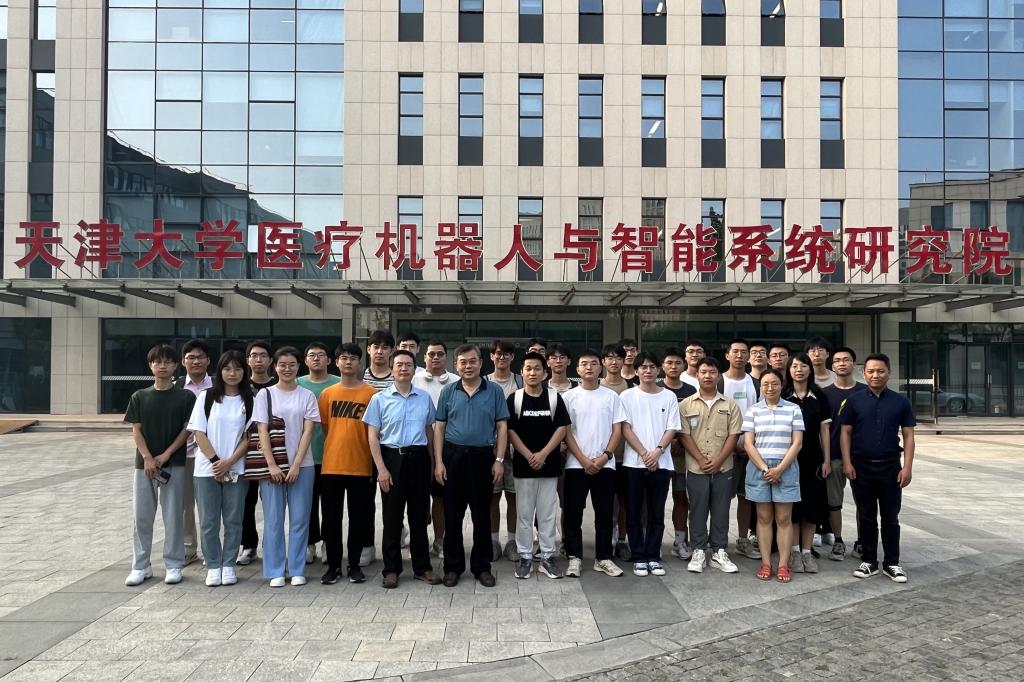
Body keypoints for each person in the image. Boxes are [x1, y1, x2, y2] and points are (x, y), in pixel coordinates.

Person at [434, 343, 509, 588]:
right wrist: (439, 462)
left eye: (472, 361)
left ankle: (481, 567)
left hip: (482, 458)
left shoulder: (494, 391)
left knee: (481, 515)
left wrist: (499, 460)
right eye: (463, 362)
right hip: (453, 457)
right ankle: (452, 567)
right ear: (456, 365)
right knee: (452, 515)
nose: (468, 366)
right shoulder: (448, 391)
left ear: (480, 363)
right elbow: (440, 428)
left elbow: (502, 427)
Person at [364, 349, 440, 588]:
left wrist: (433, 463)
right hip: (391, 459)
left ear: (414, 368)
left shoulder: (424, 398)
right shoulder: (379, 399)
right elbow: (372, 436)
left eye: (408, 364)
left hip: (419, 459)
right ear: (392, 369)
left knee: (419, 516)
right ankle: (391, 569)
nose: (404, 368)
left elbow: (429, 431)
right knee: (392, 517)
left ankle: (422, 567)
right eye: (399, 364)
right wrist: (381, 469)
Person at [124, 344, 197, 586]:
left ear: (176, 365)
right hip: (143, 465)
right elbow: (136, 430)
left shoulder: (185, 397)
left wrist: (166, 454)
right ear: (150, 366)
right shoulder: (139, 396)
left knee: (174, 515)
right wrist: (147, 457)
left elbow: (187, 430)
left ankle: (174, 564)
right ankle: (140, 565)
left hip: (174, 463)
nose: (162, 366)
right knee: (142, 517)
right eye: (158, 362)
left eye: (167, 362)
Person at [841, 353, 916, 584]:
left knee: (890, 516)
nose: (875, 375)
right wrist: (847, 462)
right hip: (861, 467)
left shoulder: (900, 401)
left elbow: (909, 435)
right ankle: (869, 561)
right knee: (866, 516)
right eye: (871, 371)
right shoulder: (854, 401)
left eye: (880, 371)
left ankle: (892, 563)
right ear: (863, 374)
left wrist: (907, 467)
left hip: (891, 467)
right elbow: (845, 432)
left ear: (889, 373)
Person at [253, 347, 320, 587]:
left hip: (304, 465)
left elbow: (308, 432)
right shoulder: (265, 395)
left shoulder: (307, 396)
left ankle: (297, 567)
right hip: (273, 467)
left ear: (298, 366)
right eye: (282, 365)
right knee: (273, 519)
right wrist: (272, 465)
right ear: (275, 366)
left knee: (300, 519)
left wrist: (297, 465)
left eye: (292, 364)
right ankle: (275, 569)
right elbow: (262, 430)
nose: (287, 369)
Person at [187, 350, 254, 587]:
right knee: (209, 521)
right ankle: (213, 566)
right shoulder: (206, 397)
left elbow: (248, 437)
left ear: (244, 372)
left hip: (237, 468)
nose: (232, 373)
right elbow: (198, 432)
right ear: (220, 371)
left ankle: (229, 565)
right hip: (207, 470)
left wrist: (229, 462)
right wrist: (217, 461)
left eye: (237, 368)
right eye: (227, 368)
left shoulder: (250, 399)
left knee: (234, 520)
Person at [318, 343, 378, 585]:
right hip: (332, 465)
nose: (348, 362)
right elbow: (326, 427)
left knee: (358, 518)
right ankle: (333, 566)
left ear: (359, 363)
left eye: (353, 358)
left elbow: (374, 429)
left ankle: (354, 564)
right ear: (336, 362)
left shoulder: (371, 393)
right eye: (344, 358)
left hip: (361, 465)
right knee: (331, 519)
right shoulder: (327, 394)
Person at [562, 349, 626, 578]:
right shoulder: (568, 397)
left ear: (601, 367)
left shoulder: (612, 397)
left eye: (593, 363)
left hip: (605, 466)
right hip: (575, 465)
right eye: (584, 364)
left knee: (605, 514)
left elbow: (617, 430)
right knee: (573, 514)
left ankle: (603, 558)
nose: (589, 367)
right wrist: (582, 459)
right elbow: (566, 432)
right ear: (577, 369)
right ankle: (574, 557)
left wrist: (605, 456)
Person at [508, 352, 571, 579]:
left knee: (547, 514)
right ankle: (525, 556)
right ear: (522, 372)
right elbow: (510, 430)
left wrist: (543, 454)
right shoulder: (514, 399)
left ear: (545, 373)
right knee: (524, 514)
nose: (532, 372)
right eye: (528, 368)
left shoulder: (554, 398)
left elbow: (562, 428)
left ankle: (547, 556)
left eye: (537, 368)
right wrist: (528, 455)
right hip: (523, 466)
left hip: (549, 465)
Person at [678, 358, 742, 574]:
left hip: (724, 467)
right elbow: (684, 435)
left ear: (718, 376)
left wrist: (719, 460)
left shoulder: (730, 405)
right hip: (696, 467)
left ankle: (719, 551)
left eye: (712, 372)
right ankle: (698, 550)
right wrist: (700, 459)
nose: (707, 376)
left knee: (721, 509)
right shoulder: (686, 405)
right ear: (697, 375)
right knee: (697, 509)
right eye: (703, 372)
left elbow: (733, 436)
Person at [620, 351, 681, 577]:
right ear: (636, 371)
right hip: (633, 464)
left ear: (658, 370)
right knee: (634, 512)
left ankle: (653, 556)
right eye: (643, 367)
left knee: (657, 513)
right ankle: (638, 556)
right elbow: (625, 428)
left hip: (661, 463)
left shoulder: (669, 397)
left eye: (652, 367)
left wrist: (657, 452)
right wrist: (645, 454)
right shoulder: (627, 396)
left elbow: (672, 428)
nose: (648, 371)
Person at [743, 368, 804, 583]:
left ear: (782, 385)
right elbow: (748, 443)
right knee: (763, 518)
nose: (770, 388)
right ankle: (766, 562)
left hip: (786, 467)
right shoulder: (753, 410)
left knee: (784, 519)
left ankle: (784, 564)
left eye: (774, 383)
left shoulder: (793, 409)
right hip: (759, 467)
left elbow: (797, 443)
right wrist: (764, 468)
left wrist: (779, 469)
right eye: (765, 384)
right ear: (760, 387)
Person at [412, 340, 461, 558]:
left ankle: (440, 540)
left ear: (446, 358)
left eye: (440, 354)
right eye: (431, 354)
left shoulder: (456, 382)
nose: (435, 358)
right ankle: (418, 542)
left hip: (448, 448)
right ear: (424, 357)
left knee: (441, 498)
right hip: (419, 448)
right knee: (418, 500)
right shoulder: (413, 380)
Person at [785, 353, 832, 574]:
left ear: (810, 369)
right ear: (789, 370)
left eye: (803, 366)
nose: (799, 370)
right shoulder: (784, 395)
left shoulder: (819, 396)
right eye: (794, 366)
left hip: (813, 458)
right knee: (793, 506)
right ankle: (794, 551)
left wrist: (827, 459)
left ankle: (807, 551)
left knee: (812, 506)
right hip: (789, 458)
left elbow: (825, 430)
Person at [296, 342, 340, 565]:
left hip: (332, 456)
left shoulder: (339, 383)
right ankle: (310, 543)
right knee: (307, 504)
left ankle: (328, 544)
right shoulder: (296, 384)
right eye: (311, 355)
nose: (316, 358)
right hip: (304, 456)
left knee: (331, 505)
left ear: (329, 360)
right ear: (305, 360)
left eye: (321, 355)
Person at [821, 346, 866, 561]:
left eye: (846, 360)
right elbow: (824, 428)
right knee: (834, 502)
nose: (841, 363)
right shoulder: (825, 394)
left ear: (854, 364)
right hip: (835, 456)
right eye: (837, 360)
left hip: (861, 456)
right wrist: (826, 459)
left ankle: (862, 541)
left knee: (863, 502)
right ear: (832, 366)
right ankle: (838, 540)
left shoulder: (865, 391)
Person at [722, 339, 760, 560]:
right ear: (727, 355)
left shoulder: (756, 384)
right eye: (735, 351)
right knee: (721, 498)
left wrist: (749, 445)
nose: (739, 355)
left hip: (751, 451)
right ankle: (718, 540)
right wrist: (732, 446)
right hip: (724, 452)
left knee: (746, 498)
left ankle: (743, 540)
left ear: (748, 357)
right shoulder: (719, 381)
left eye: (743, 352)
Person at [239, 339, 276, 567]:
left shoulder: (279, 385)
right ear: (248, 360)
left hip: (276, 453)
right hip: (246, 453)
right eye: (254, 355)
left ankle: (272, 545)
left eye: (263, 355)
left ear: (271, 360)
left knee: (273, 503)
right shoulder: (240, 387)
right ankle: (248, 545)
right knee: (247, 501)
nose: (258, 359)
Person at [658, 347, 696, 561]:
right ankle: (652, 540)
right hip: (659, 454)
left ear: (684, 365)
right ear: (662, 366)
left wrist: (680, 441)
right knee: (654, 499)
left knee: (681, 498)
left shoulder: (691, 391)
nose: (673, 367)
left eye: (677, 363)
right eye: (669, 363)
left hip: (683, 455)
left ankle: (680, 541)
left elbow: (695, 422)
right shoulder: (655, 388)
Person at [486, 339, 522, 562]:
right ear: (491, 356)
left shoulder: (520, 381)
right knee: (492, 497)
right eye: (498, 353)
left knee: (514, 497)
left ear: (512, 357)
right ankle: (492, 541)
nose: (502, 357)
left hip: (517, 451)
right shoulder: (484, 382)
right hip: (490, 452)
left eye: (506, 353)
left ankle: (512, 542)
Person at [177, 339, 213, 565]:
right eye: (191, 357)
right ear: (183, 361)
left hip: (214, 456)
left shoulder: (219, 385)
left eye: (200, 357)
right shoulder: (178, 386)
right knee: (185, 505)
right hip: (186, 455)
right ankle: (189, 549)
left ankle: (213, 550)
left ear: (208, 360)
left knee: (212, 506)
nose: (196, 361)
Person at [361, 330, 395, 566]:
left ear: (391, 351)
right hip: (364, 448)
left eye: (385, 347)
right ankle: (367, 544)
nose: (380, 351)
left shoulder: (399, 377)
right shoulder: (359, 379)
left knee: (393, 499)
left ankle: (396, 533)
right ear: (369, 349)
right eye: (376, 346)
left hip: (392, 448)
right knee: (365, 500)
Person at [599, 343, 632, 561]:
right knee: (606, 503)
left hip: (627, 456)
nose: (614, 361)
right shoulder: (597, 386)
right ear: (603, 361)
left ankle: (622, 540)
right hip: (604, 457)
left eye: (618, 357)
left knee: (624, 502)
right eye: (609, 358)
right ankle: (608, 540)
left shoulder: (632, 388)